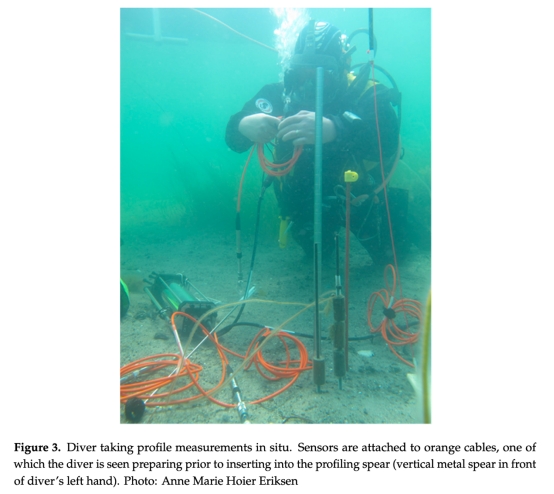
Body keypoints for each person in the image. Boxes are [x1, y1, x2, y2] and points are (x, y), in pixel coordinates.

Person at [225, 20, 402, 266]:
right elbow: (234, 140)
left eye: (322, 75)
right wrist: (243, 125)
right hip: (302, 201)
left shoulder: (366, 93)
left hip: (359, 196)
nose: (309, 85)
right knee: (317, 255)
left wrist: (336, 129)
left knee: (393, 257)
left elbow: (388, 141)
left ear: (342, 68)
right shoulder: (281, 94)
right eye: (302, 74)